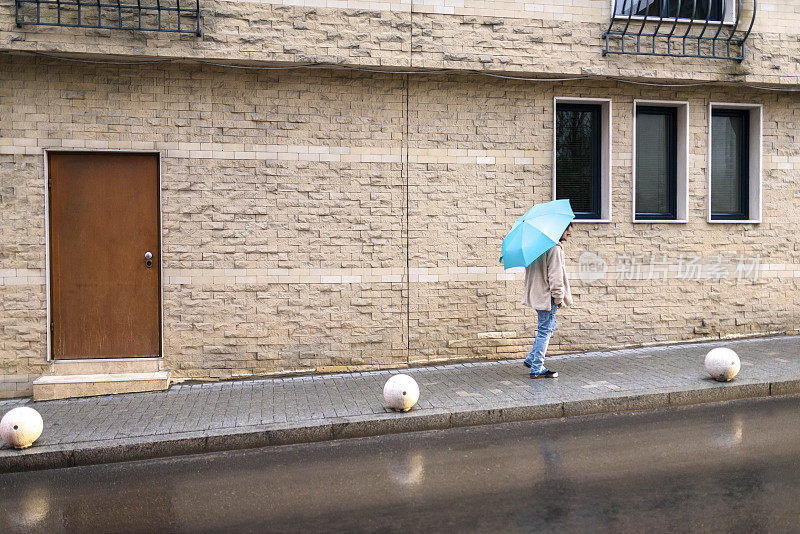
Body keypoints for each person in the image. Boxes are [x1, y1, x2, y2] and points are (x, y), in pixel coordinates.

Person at [522, 223, 573, 378]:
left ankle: (531, 359)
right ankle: (537, 367)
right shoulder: (555, 249)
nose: (568, 235)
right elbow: (555, 277)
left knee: (548, 327)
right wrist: (558, 298)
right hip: (547, 296)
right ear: (560, 230)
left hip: (537, 295)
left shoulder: (536, 248)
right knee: (545, 330)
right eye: (567, 232)